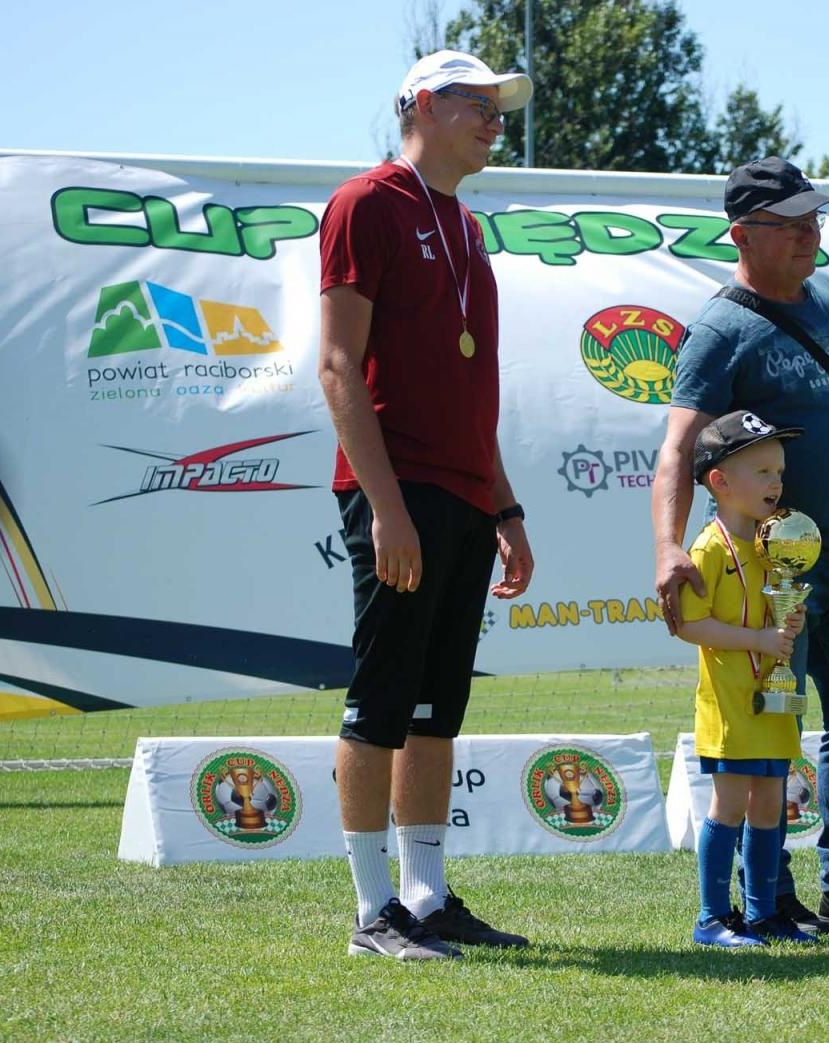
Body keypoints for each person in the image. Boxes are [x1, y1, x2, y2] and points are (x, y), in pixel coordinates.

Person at [652, 157, 829, 935]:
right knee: (775, 729)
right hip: (772, 582)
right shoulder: (719, 328)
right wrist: (669, 546)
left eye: (816, 220)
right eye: (793, 223)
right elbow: (678, 449)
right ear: (743, 234)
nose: (811, 234)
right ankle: (769, 896)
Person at [318, 49, 535, 961]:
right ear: (420, 105)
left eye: (498, 106)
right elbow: (336, 366)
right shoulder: (366, 202)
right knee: (380, 701)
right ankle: (375, 911)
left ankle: (428, 895)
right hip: (397, 490)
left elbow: (467, 386)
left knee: (437, 711)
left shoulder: (467, 225)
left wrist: (508, 509)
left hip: (464, 494)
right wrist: (386, 505)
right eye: (476, 104)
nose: (495, 120)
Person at [676, 410, 814, 948]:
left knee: (770, 804)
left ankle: (764, 914)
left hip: (773, 699)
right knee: (730, 804)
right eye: (762, 471)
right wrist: (758, 640)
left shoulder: (773, 543)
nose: (776, 482)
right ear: (720, 482)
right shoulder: (709, 548)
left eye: (778, 472)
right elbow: (688, 623)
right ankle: (712, 918)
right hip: (731, 703)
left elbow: (775, 612)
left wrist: (788, 618)